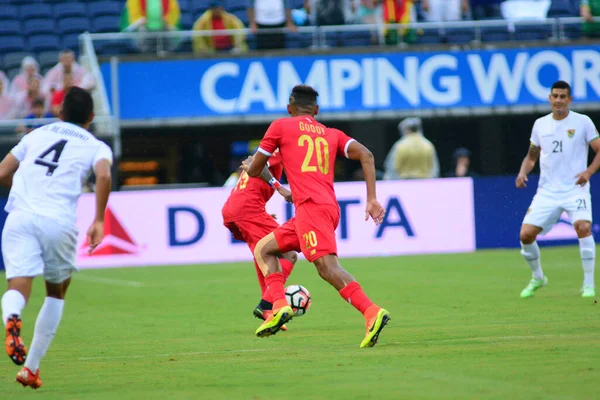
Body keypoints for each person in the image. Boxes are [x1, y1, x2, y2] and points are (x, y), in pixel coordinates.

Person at [243, 84, 389, 348]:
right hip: (323, 208)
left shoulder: (280, 126)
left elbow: (254, 170)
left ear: (290, 108)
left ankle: (371, 311)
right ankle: (278, 307)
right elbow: (366, 155)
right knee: (264, 249)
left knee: (326, 268)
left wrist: (255, 168)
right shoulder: (331, 134)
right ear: (317, 110)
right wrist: (371, 199)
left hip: (311, 208)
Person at [0, 87, 113, 388]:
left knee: (18, 285)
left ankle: (12, 317)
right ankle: (31, 368)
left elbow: (1, 173)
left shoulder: (36, 135)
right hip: (57, 222)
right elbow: (103, 176)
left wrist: (25, 192)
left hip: (19, 217)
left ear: (60, 113)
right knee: (56, 291)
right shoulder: (96, 145)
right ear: (91, 117)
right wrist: (99, 219)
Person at [516, 80, 600, 299]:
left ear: (569, 100)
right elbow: (532, 155)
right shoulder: (540, 125)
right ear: (550, 99)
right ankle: (538, 277)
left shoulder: (583, 122)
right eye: (555, 96)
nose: (559, 100)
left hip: (575, 189)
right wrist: (523, 171)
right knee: (525, 235)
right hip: (547, 192)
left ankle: (588, 284)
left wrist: (588, 172)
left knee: (583, 227)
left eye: (563, 96)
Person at [222, 150, 298, 326]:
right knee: (289, 254)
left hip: (236, 207)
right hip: (248, 209)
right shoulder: (278, 151)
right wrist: (279, 187)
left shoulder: (267, 151)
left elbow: (250, 165)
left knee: (263, 251)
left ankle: (268, 310)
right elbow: (259, 166)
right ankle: (268, 304)